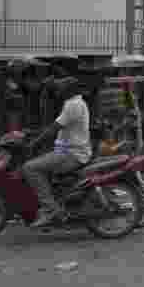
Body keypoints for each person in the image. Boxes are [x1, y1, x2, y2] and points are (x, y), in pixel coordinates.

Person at [21, 76, 92, 227]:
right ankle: (53, 202)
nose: (58, 91)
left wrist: (34, 144)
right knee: (40, 162)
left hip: (71, 154)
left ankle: (50, 209)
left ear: (69, 90)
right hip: (68, 150)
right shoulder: (74, 103)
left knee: (30, 168)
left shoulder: (73, 105)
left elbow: (54, 128)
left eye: (61, 88)